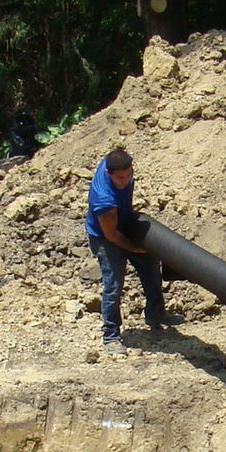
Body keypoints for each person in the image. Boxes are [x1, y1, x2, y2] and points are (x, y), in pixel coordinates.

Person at [85, 147, 177, 354]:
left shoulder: (116, 165)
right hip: (105, 237)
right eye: (120, 178)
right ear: (108, 174)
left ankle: (156, 314)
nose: (125, 180)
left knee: (151, 267)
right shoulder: (104, 199)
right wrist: (133, 248)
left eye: (129, 175)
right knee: (114, 284)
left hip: (123, 222)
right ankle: (111, 335)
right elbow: (111, 235)